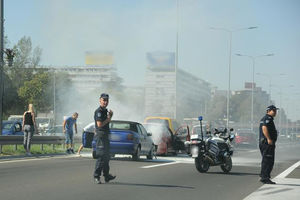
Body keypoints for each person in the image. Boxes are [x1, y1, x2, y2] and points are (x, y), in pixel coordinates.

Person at [93, 93, 116, 184]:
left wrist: (110, 116)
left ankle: (106, 176)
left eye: (107, 100)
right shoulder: (99, 111)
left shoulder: (105, 110)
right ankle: (96, 176)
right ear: (100, 100)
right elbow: (99, 125)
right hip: (101, 136)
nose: (105, 102)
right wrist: (108, 119)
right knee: (101, 156)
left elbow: (106, 122)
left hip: (105, 136)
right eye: (104, 100)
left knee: (107, 157)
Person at [259, 105, 279, 184]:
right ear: (268, 111)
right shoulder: (267, 118)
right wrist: (269, 139)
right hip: (267, 143)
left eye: (275, 111)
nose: (275, 112)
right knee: (268, 160)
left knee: (266, 160)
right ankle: (265, 178)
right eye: (273, 111)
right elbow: (264, 128)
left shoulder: (266, 118)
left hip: (265, 143)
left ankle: (263, 175)